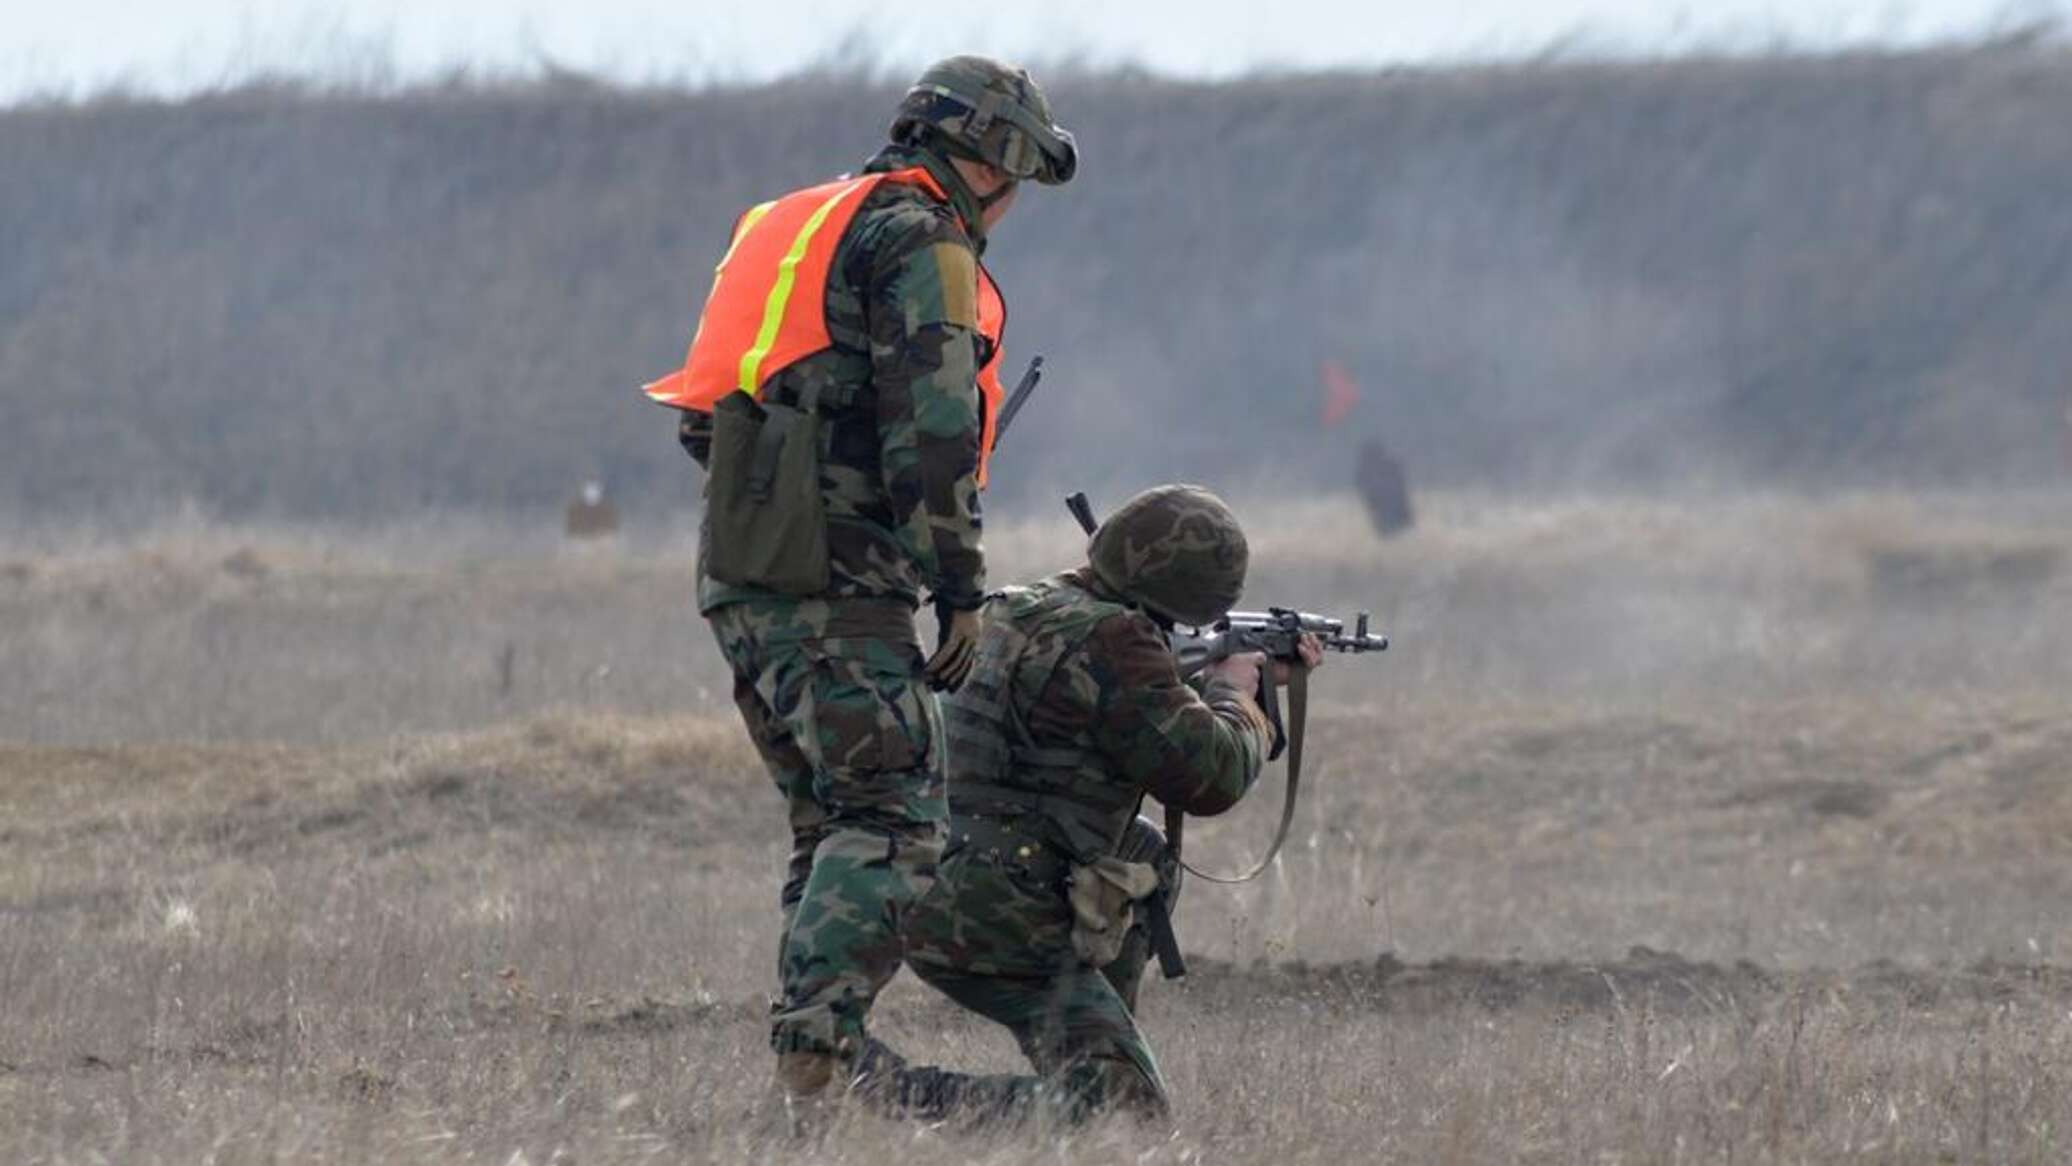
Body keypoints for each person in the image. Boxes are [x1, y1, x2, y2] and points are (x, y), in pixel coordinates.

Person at [641, 56, 1077, 1118]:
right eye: (1016, 181)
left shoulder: (793, 223)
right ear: (988, 161)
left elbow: (709, 418)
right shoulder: (921, 241)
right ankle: (816, 1063)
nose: (1011, 207)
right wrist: (957, 586)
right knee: (893, 817)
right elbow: (932, 430)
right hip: (840, 584)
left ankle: (816, 1067)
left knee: (833, 823)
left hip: (743, 573)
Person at [852, 484, 1324, 1125]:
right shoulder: (1118, 640)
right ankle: (889, 1094)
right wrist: (1239, 695)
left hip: (923, 879)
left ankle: (1095, 1047)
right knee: (1123, 1119)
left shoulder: (1023, 606)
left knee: (1143, 850)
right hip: (996, 913)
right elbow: (1209, 777)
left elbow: (1098, 706)